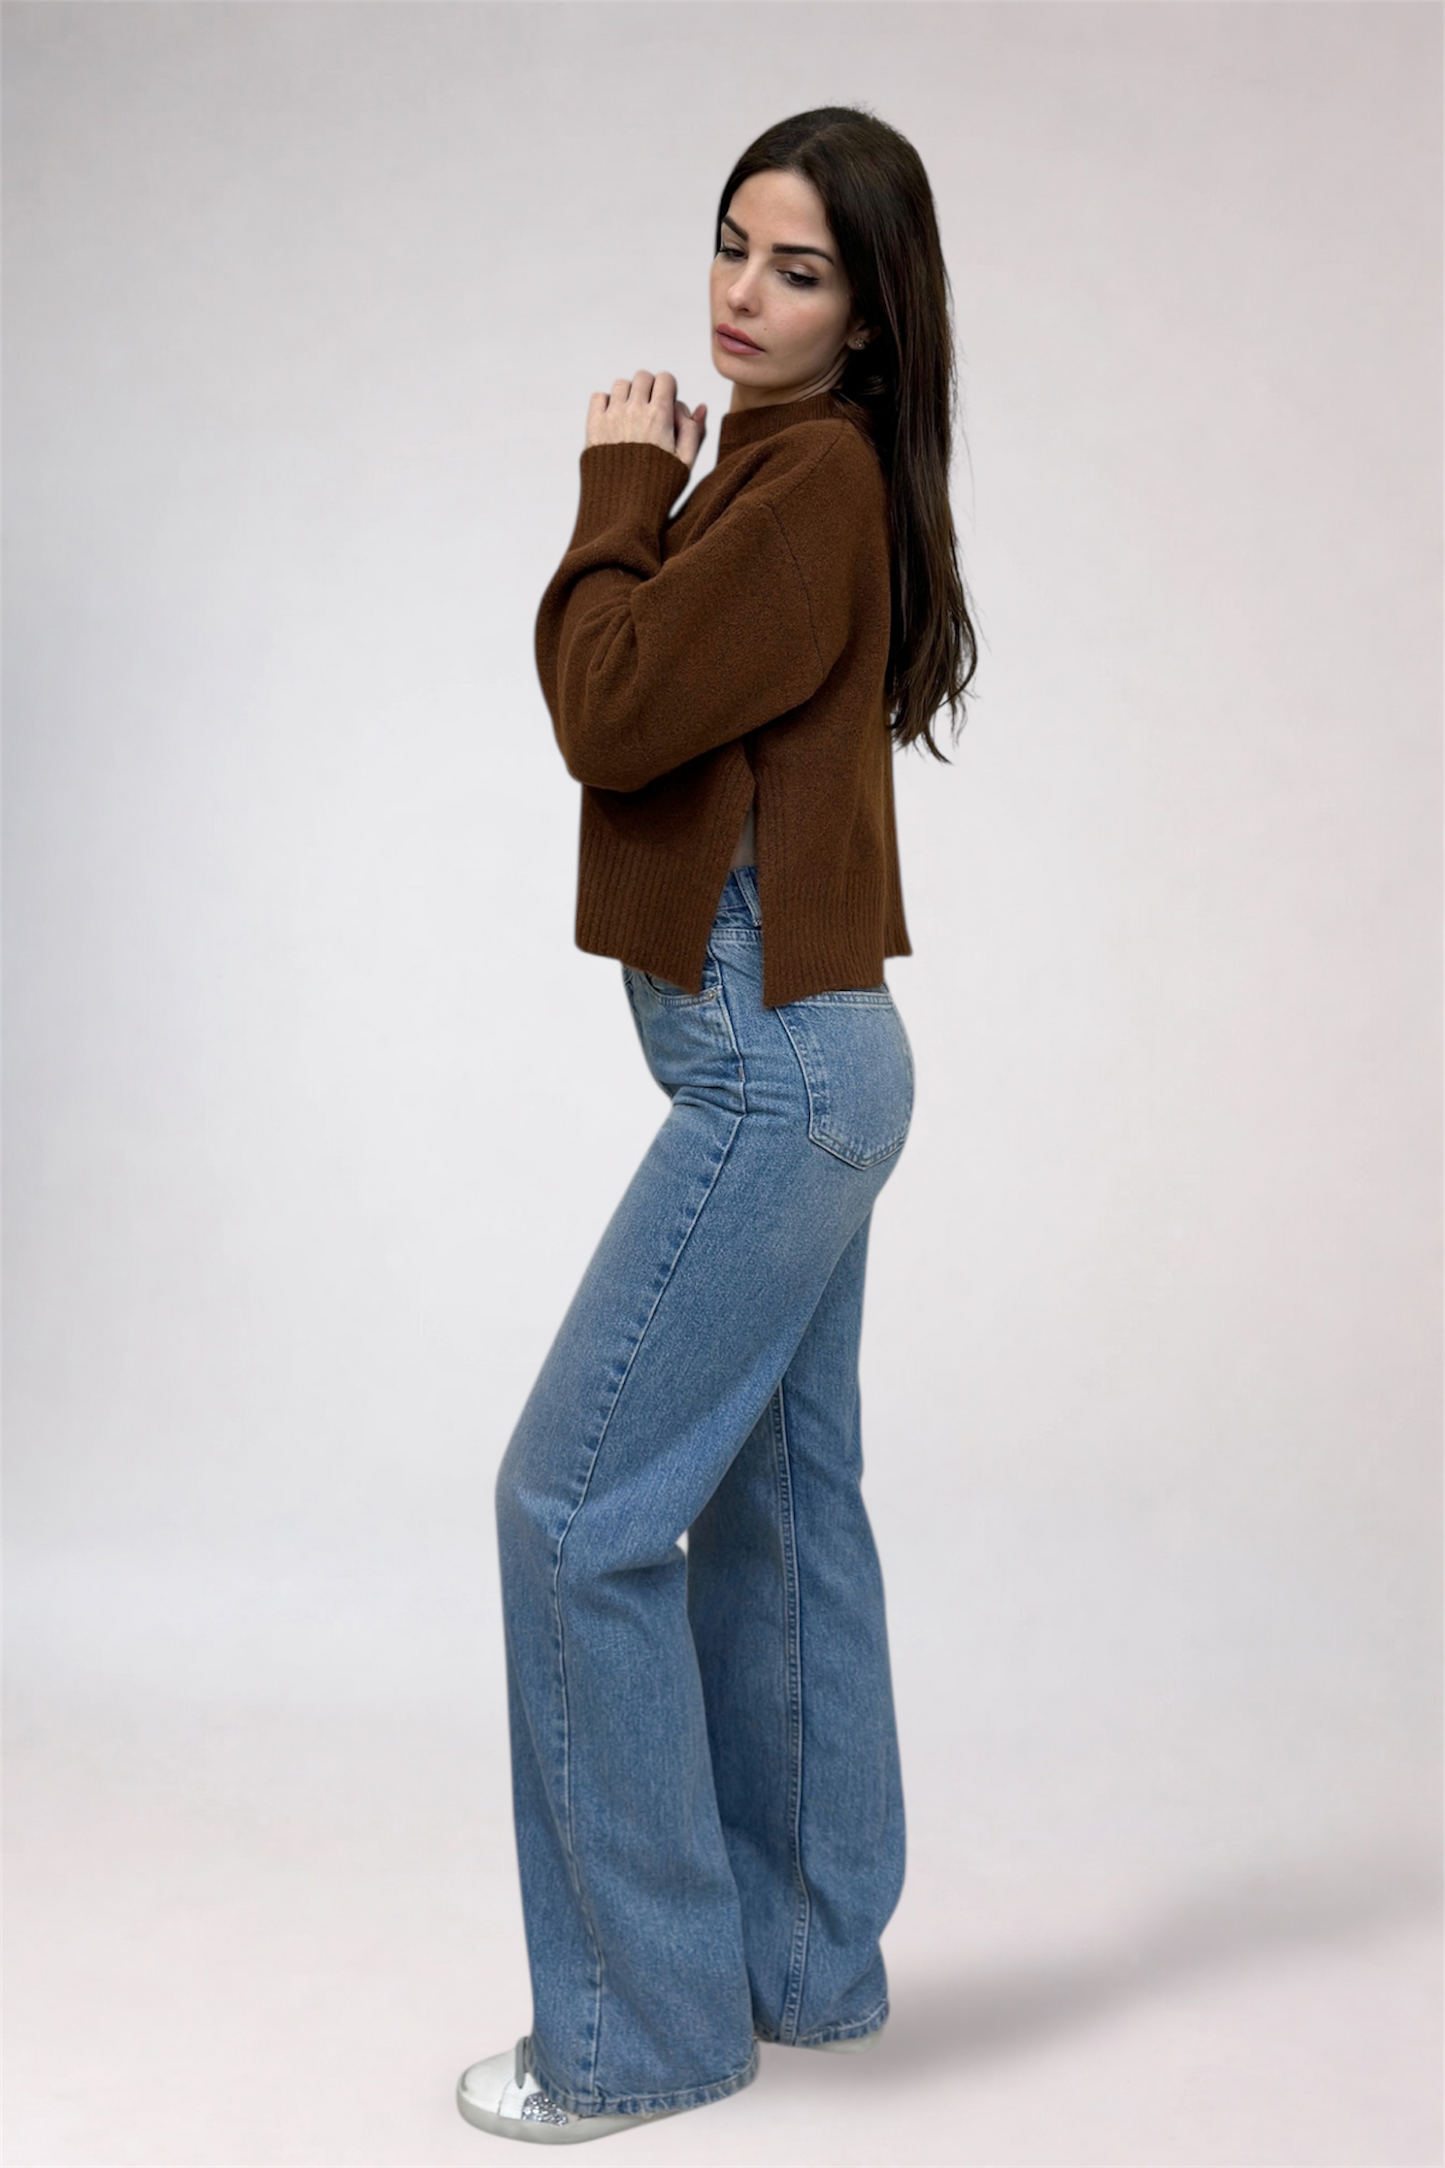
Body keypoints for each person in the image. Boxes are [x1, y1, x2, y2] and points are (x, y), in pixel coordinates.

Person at [457, 104, 976, 2145]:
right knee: (773, 1509)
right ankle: (796, 1965)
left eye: (797, 270)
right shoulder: (795, 473)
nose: (741, 297)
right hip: (815, 1062)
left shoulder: (796, 486)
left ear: (868, 313)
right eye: (728, 247)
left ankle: (641, 2030)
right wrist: (675, 482)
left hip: (776, 1076)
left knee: (570, 1510)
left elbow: (609, 703)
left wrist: (608, 483)